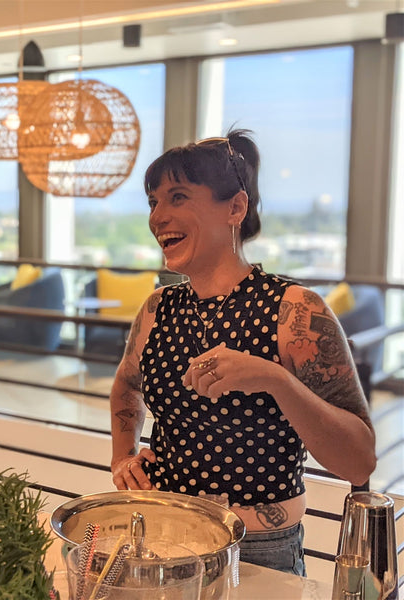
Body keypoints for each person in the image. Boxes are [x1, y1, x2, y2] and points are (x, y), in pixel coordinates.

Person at [109, 129, 375, 576]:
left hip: (260, 551)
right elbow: (126, 387)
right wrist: (123, 456)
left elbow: (359, 459)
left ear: (235, 207)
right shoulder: (157, 308)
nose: (158, 217)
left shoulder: (295, 311)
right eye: (154, 202)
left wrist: (275, 379)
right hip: (165, 532)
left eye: (177, 197)